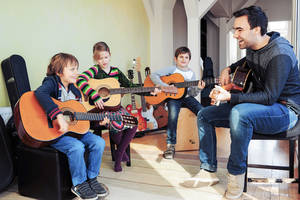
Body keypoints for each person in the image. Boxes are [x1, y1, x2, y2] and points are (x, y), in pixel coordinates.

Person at [182, 6, 300, 200]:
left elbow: (270, 96)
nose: (235, 35)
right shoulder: (254, 47)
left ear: (256, 29)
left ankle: (235, 180)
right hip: (262, 108)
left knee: (240, 112)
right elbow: (242, 64)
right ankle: (208, 170)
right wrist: (226, 69)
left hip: (285, 111)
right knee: (205, 115)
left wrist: (229, 97)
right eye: (234, 29)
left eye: (239, 29)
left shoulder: (280, 54)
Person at [76, 41, 160, 172]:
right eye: (100, 58)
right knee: (117, 124)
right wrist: (94, 95)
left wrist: (149, 91)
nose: (103, 60)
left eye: (105, 57)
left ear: (110, 55)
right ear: (95, 59)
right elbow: (80, 80)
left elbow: (130, 86)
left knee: (134, 123)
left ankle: (119, 153)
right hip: (98, 111)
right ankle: (120, 155)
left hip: (115, 108)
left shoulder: (115, 71)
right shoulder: (95, 70)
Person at [34, 53, 108, 200]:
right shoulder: (51, 82)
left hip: (73, 131)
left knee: (99, 142)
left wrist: (97, 122)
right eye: (72, 69)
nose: (77, 73)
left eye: (77, 69)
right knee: (77, 147)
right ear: (59, 71)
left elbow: (79, 119)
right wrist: (58, 115)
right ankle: (79, 184)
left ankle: (92, 178)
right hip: (56, 132)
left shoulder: (75, 90)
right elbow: (40, 93)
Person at [150, 46, 205, 159]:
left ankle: (204, 142)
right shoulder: (172, 69)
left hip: (187, 97)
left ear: (189, 60)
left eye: (186, 57)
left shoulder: (191, 74)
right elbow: (153, 75)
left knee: (202, 111)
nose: (184, 59)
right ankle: (171, 145)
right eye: (181, 57)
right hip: (173, 98)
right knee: (173, 115)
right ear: (175, 59)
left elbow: (193, 93)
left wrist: (198, 88)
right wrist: (166, 87)